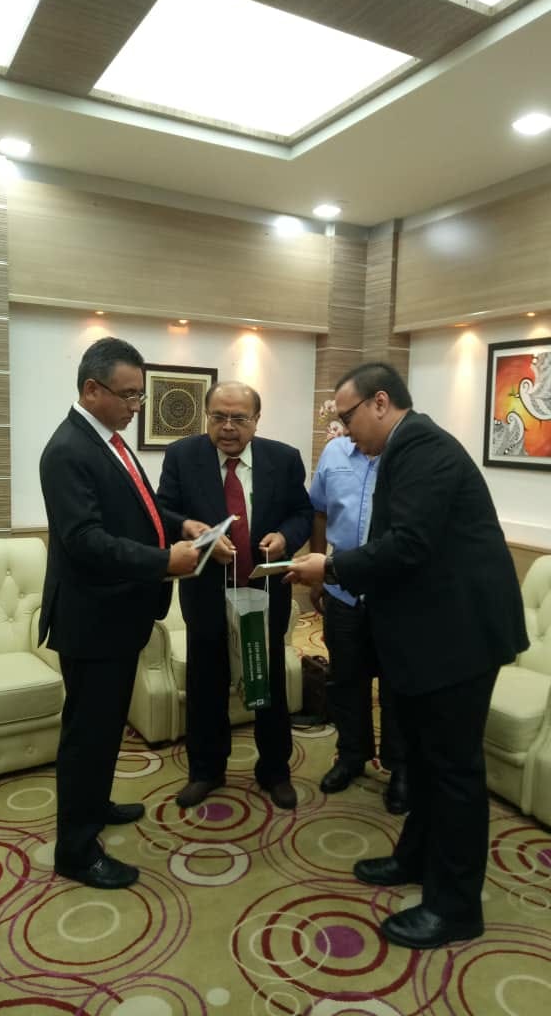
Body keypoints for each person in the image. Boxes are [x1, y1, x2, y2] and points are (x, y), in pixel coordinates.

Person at [287, 362, 528, 950]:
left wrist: (332, 566)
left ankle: (456, 907)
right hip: (432, 635)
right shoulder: (405, 447)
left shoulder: (423, 449)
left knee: (454, 772)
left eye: (347, 417)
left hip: (459, 640)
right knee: (421, 761)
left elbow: (410, 545)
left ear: (380, 402)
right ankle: (417, 857)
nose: (343, 431)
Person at [39, 337, 203, 890]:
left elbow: (142, 507)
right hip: (92, 620)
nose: (136, 406)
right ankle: (75, 850)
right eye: (129, 395)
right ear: (92, 389)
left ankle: (95, 804)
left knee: (105, 728)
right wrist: (164, 562)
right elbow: (86, 540)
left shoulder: (107, 440)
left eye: (140, 395)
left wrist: (180, 524)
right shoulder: (67, 450)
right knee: (87, 735)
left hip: (117, 616)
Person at [157, 381, 314, 811]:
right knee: (206, 684)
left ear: (256, 420)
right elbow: (163, 510)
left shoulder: (283, 458)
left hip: (263, 592)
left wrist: (285, 537)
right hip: (207, 594)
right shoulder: (182, 456)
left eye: (239, 418)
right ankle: (206, 771)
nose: (227, 427)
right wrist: (190, 528)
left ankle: (275, 771)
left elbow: (302, 512)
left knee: (269, 682)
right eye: (218, 417)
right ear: (207, 416)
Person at [309, 437, 409, 813]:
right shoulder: (334, 452)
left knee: (397, 685)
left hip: (394, 596)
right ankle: (351, 755)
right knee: (345, 679)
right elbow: (320, 513)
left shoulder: (408, 454)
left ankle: (400, 767)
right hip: (342, 591)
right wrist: (319, 572)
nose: (347, 426)